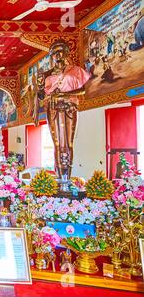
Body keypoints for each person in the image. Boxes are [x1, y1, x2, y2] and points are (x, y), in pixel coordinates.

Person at [37, 40, 90, 188]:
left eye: (60, 51)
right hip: (52, 108)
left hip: (69, 107)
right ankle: (60, 177)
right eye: (54, 53)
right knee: (57, 143)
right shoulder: (47, 74)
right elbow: (41, 95)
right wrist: (40, 87)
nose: (57, 55)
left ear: (66, 52)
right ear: (51, 56)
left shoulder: (75, 70)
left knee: (68, 142)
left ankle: (67, 177)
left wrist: (64, 95)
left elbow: (83, 90)